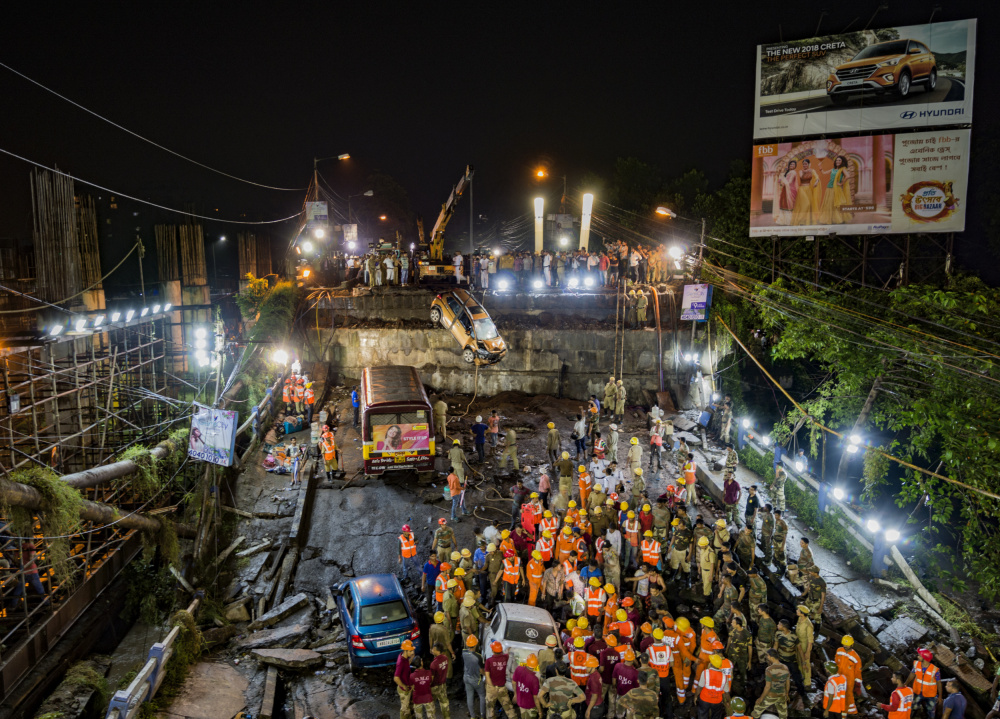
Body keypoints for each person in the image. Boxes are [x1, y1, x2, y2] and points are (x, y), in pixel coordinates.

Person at [752, 651, 790, 719]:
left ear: (772, 657)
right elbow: (787, 683)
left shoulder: (769, 669)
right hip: (782, 695)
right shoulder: (785, 667)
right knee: (783, 715)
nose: (767, 657)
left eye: (768, 656)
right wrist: (787, 694)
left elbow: (767, 687)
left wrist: (761, 698)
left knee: (757, 710)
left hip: (771, 696)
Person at [907, 648, 942, 719]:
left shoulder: (935, 670)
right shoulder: (916, 664)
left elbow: (939, 683)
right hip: (917, 692)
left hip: (930, 695)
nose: (918, 657)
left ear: (924, 658)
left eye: (919, 656)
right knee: (913, 709)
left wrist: (940, 697)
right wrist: (905, 683)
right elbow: (912, 674)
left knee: (931, 713)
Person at [696, 653, 729, 719]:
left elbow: (700, 687)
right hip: (717, 701)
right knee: (716, 716)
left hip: (704, 699)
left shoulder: (705, 672)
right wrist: (727, 702)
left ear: (711, 664)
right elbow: (726, 692)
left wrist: (696, 696)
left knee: (702, 714)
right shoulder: (725, 677)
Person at [514, 654, 544, 719]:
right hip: (530, 706)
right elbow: (535, 697)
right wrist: (540, 712)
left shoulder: (518, 669)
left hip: (520, 703)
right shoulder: (534, 679)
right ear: (536, 666)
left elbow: (514, 682)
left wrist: (515, 694)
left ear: (527, 662)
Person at [464, 635, 487, 719]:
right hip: (476, 680)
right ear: (476, 644)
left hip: (466, 677)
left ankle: (472, 716)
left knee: (469, 696)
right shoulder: (478, 656)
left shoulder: (464, 652)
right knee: (482, 695)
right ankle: (482, 715)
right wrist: (486, 676)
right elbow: (481, 670)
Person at [430, 643, 452, 719]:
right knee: (444, 703)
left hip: (434, 686)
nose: (432, 650)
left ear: (437, 650)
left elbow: (432, 678)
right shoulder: (445, 658)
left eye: (433, 649)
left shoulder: (433, 664)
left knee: (431, 705)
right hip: (443, 684)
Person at [395, 639, 416, 719]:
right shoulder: (401, 662)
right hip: (404, 689)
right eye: (411, 651)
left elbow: (407, 665)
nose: (412, 652)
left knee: (409, 706)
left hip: (408, 686)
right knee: (404, 710)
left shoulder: (404, 656)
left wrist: (411, 659)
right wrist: (404, 686)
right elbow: (396, 678)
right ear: (406, 651)